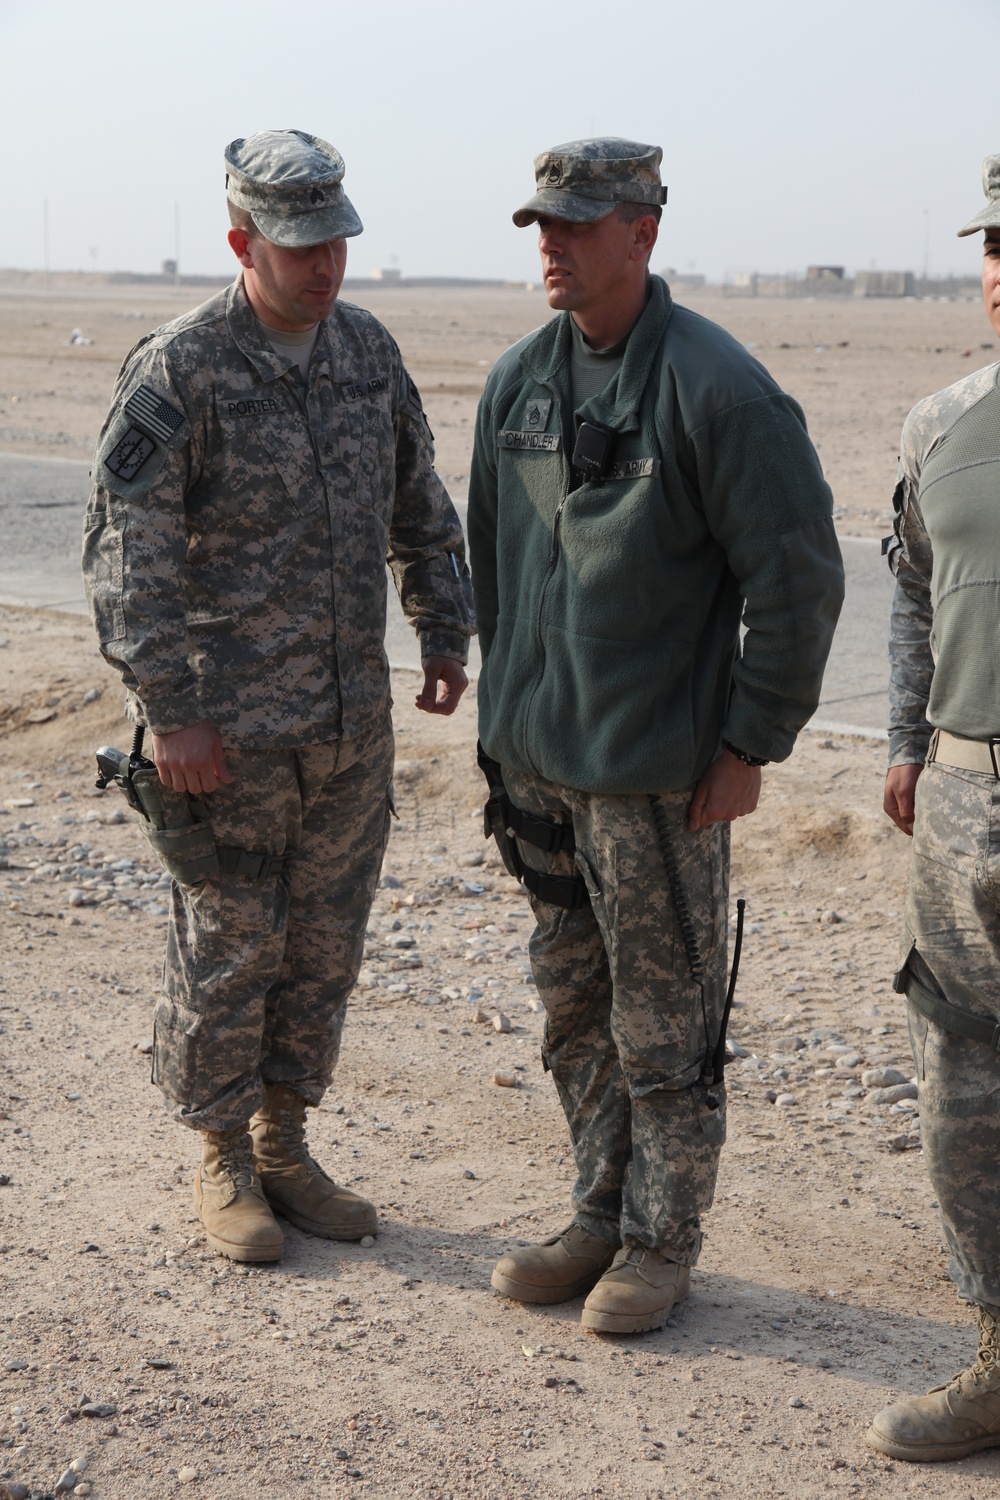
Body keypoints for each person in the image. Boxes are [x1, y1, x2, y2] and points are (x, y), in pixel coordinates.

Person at [467, 138, 844, 1334]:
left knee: (664, 1024)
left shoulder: (720, 391)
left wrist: (749, 747)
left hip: (654, 781)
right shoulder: (518, 381)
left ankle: (659, 1241)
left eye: (579, 225)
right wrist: (499, 727)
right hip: (539, 767)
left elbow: (796, 585)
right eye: (542, 226)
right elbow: (494, 562)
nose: (553, 247)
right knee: (572, 1008)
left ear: (644, 231)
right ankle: (595, 1211)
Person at [82, 130, 473, 1264]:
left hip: (350, 725)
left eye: (336, 242)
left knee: (323, 945)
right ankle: (219, 1153)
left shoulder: (365, 352)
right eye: (299, 247)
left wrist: (441, 627)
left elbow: (418, 500)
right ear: (242, 242)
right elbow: (127, 550)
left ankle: (285, 1140)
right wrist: (169, 709)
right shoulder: (182, 367)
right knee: (230, 942)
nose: (324, 266)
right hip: (227, 738)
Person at [868, 155, 1000, 1462]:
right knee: (965, 1079)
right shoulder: (940, 424)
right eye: (995, 244)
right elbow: (908, 593)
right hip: (964, 796)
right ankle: (998, 1354)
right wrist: (908, 743)